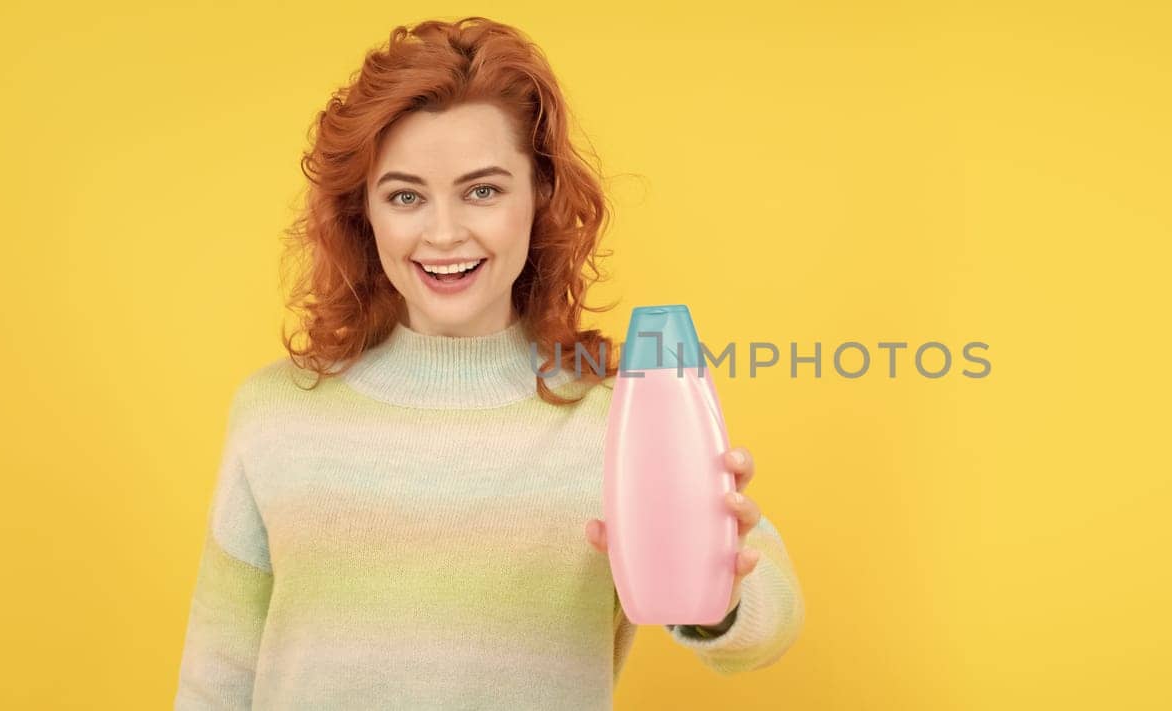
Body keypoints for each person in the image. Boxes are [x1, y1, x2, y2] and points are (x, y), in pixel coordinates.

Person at [173, 16, 804, 709]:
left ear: (540, 193)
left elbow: (771, 616)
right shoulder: (275, 414)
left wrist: (718, 584)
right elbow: (218, 674)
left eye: (483, 190)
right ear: (365, 212)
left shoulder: (617, 419)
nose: (444, 233)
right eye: (406, 195)